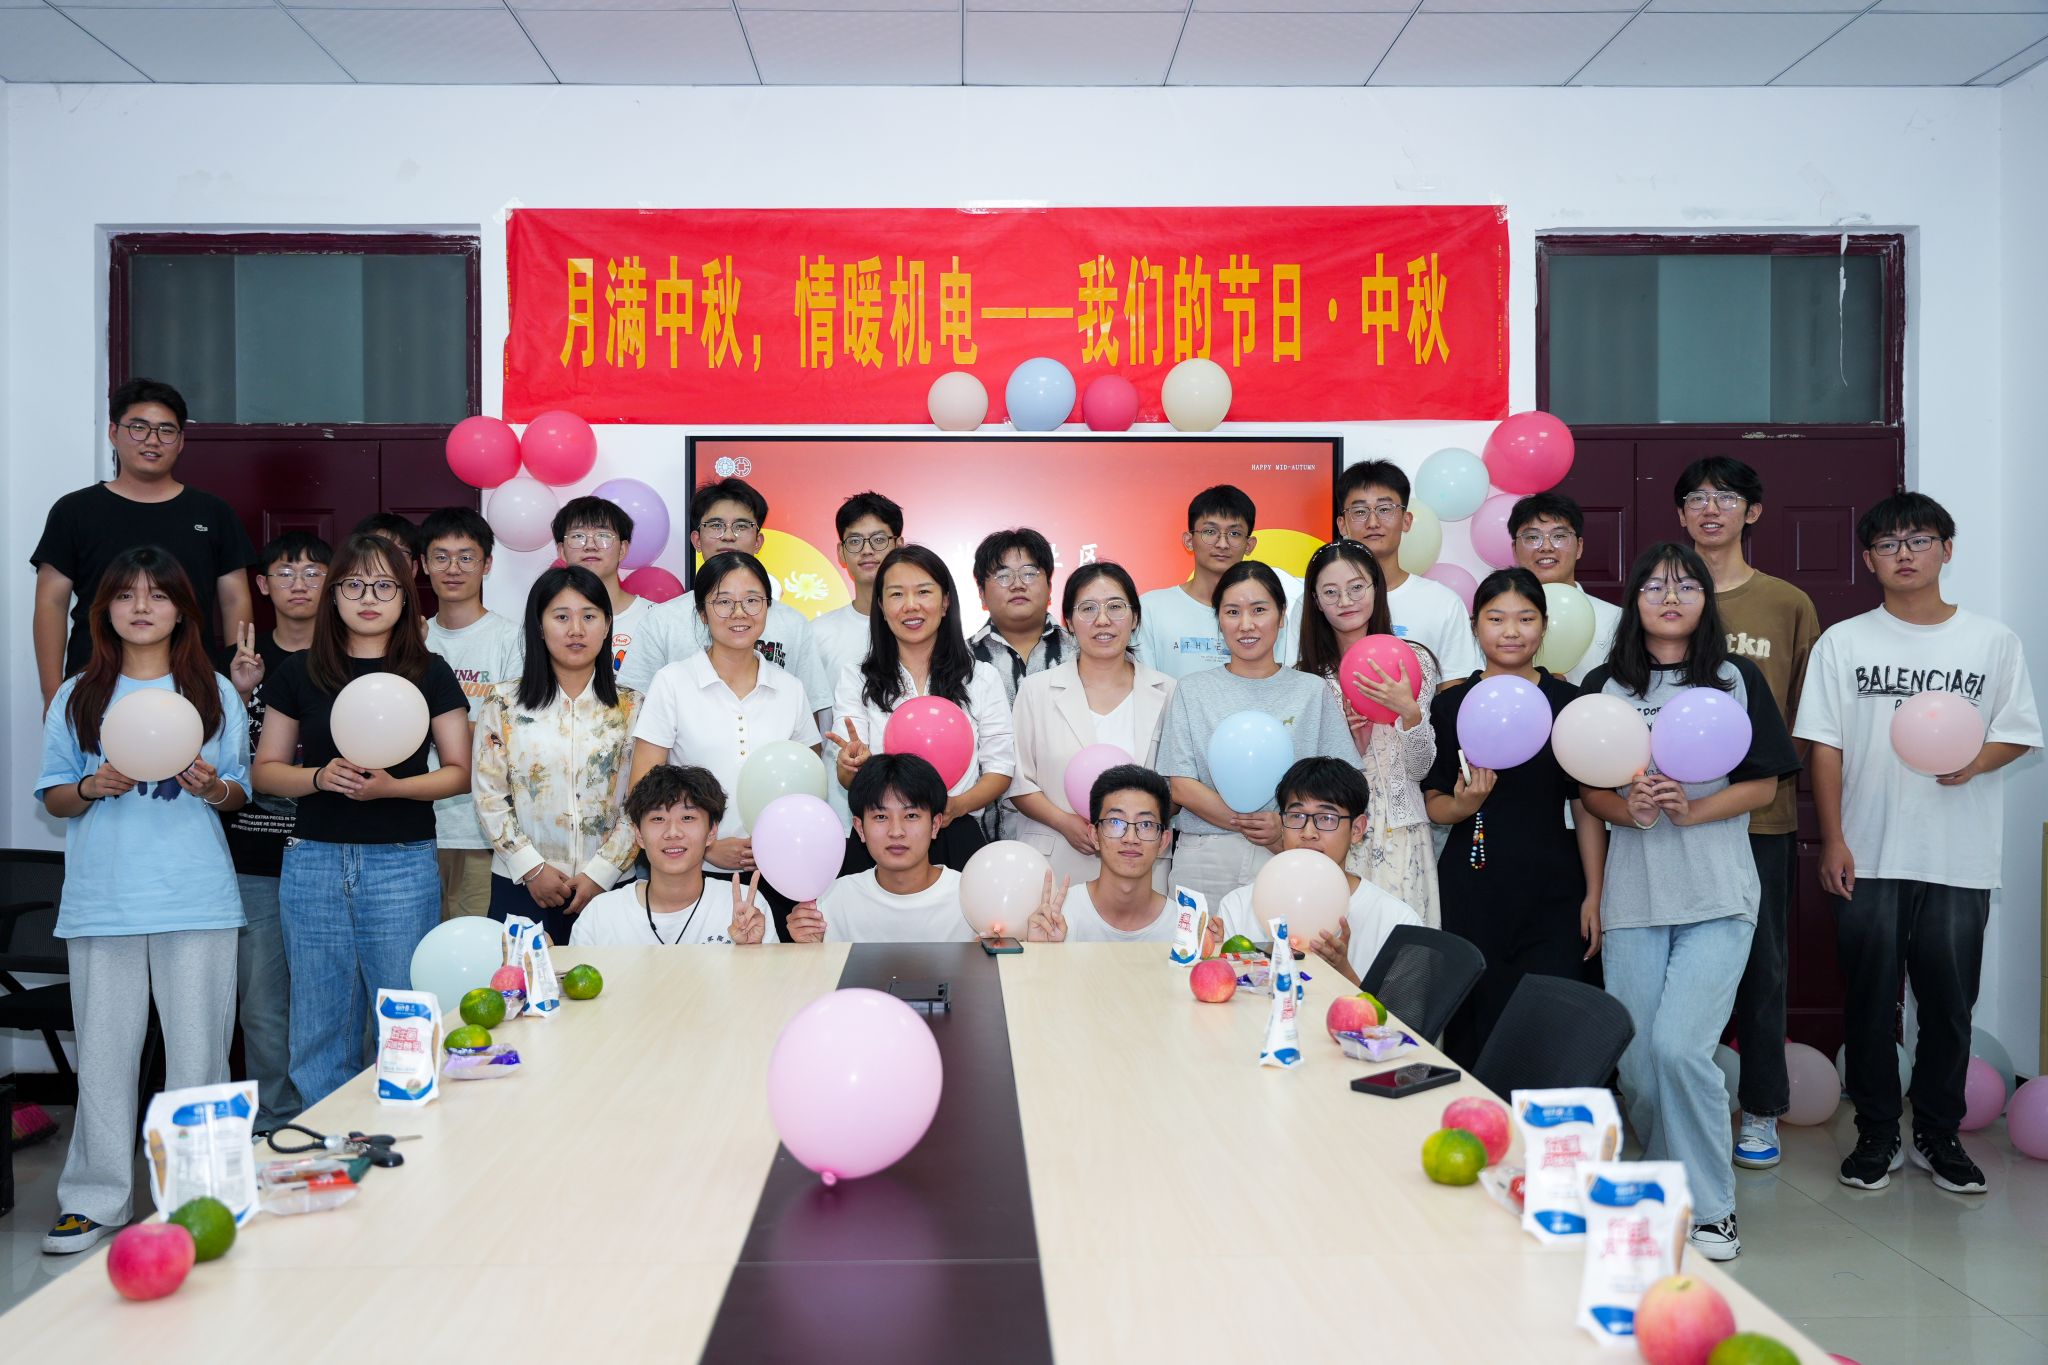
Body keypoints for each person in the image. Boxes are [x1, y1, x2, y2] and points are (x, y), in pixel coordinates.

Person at [1796, 493, 2042, 1197]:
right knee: (1869, 1002)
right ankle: (1877, 1133)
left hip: (1959, 855)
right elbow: (1825, 745)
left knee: (1949, 1005)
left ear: (1947, 549)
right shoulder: (1844, 642)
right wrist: (1834, 839)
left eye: (1919, 539)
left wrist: (1975, 762)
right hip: (1867, 852)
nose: (1904, 553)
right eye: (1888, 543)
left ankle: (1938, 1133)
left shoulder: (1991, 641)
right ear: (1868, 559)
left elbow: (2018, 731)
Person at [1578, 543, 1801, 1264]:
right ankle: (1665, 1184)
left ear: (1706, 599)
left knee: (1680, 1048)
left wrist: (1691, 809)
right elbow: (1588, 790)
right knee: (1641, 1067)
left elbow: (1764, 782)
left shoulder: (1735, 679)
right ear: (1634, 600)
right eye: (1654, 586)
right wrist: (1632, 809)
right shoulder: (1605, 685)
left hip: (1716, 895)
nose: (1670, 597)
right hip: (1633, 900)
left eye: (1685, 586)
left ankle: (1711, 1208)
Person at [35, 548, 249, 1255]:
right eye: (126, 595)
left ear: (183, 611)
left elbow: (240, 791)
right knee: (103, 1060)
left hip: (197, 898)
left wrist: (212, 786)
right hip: (105, 902)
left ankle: (199, 1198)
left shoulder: (214, 692)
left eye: (158, 595)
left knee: (199, 1059)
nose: (141, 607)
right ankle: (93, 1200)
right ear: (105, 611)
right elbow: (55, 796)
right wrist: (92, 786)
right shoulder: (77, 696)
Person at [252, 533, 471, 1110]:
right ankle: (327, 1138)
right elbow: (266, 772)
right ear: (333, 595)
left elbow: (458, 773)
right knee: (318, 1022)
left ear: (406, 596)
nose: (368, 598)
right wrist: (319, 777)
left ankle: (406, 1140)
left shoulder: (430, 672)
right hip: (314, 860)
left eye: (384, 586)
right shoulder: (299, 672)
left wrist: (392, 787)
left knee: (403, 1018)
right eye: (353, 584)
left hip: (401, 861)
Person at [1673, 457, 1821, 1173]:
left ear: (1751, 511)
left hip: (1761, 821)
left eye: (1726, 497)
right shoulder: (1664, 597)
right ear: (1680, 515)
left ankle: (1760, 1108)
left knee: (1763, 968)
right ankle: (1678, 1102)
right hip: (1671, 821)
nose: (1711, 508)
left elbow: (1811, 716)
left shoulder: (1787, 603)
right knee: (1677, 969)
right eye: (1697, 498)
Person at [1423, 567, 1604, 1067]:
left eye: (1525, 618)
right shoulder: (1451, 705)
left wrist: (1594, 893)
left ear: (1544, 627)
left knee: (1549, 1022)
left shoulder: (1569, 702)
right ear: (1475, 626)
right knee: (1474, 1020)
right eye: (1496, 618)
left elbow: (1586, 804)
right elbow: (1434, 801)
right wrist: (1465, 804)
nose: (1511, 631)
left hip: (1554, 887)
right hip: (1471, 884)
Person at [629, 552, 821, 940]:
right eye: (723, 601)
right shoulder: (673, 682)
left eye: (752, 600)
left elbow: (809, 787)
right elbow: (643, 789)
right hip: (694, 874)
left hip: (780, 873)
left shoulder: (790, 688)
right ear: (702, 612)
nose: (739, 613)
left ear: (767, 608)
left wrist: (777, 845)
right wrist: (706, 847)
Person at [33, 378, 256, 708]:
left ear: (181, 441)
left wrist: (233, 690)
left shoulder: (213, 512)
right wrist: (52, 694)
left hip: (193, 686)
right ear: (114, 433)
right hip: (94, 686)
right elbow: (51, 602)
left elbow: (235, 599)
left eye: (166, 430)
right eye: (138, 428)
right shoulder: (74, 511)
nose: (152, 440)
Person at [215, 530, 329, 1134]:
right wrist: (238, 694)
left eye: (313, 573)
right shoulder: (232, 664)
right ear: (262, 584)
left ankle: (334, 1114)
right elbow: (206, 758)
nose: (299, 584)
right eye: (285, 572)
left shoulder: (348, 660)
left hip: (329, 851)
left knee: (333, 996)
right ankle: (274, 1124)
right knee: (261, 1002)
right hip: (253, 856)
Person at [1155, 560, 1352, 904]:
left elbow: (1340, 780)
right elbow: (1182, 784)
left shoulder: (1311, 690)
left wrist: (1284, 829)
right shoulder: (1192, 689)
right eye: (1232, 612)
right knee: (1200, 940)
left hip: (1289, 853)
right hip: (1206, 856)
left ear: (1281, 615)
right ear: (1219, 619)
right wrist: (1256, 825)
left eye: (1259, 610)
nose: (1246, 624)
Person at [472, 566, 643, 947]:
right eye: (561, 617)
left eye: (589, 617)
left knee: (615, 984)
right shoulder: (503, 703)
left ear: (607, 625)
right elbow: (489, 796)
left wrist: (602, 872)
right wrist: (531, 868)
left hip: (609, 886)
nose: (576, 630)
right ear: (539, 626)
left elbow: (642, 802)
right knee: (523, 984)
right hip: (521, 884)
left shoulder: (633, 707)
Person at [828, 545, 1015, 873]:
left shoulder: (981, 677)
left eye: (924, 592)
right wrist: (851, 765)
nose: (911, 605)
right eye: (897, 594)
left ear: (945, 602)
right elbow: (847, 774)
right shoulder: (857, 677)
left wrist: (958, 806)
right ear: (881, 606)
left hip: (954, 831)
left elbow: (1000, 767)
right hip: (880, 839)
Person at [1296, 539, 1441, 925]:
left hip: (1401, 832)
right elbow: (1305, 778)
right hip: (1332, 834)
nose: (1345, 600)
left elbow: (1421, 769)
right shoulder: (1308, 678)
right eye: (1331, 592)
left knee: (1401, 952)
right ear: (1316, 601)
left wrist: (1409, 712)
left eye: (1357, 587)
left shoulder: (1414, 660)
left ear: (1377, 588)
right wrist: (1349, 744)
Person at [1006, 562, 1176, 887]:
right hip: (1057, 861)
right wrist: (1064, 822)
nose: (1102, 620)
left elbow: (1177, 787)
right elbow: (1018, 781)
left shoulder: (1167, 691)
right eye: (1088, 609)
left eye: (1115, 607)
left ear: (1135, 618)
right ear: (1069, 622)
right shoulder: (1036, 690)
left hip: (1141, 867)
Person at [615, 477, 830, 713]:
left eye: (741, 526)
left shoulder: (793, 624)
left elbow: (814, 707)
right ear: (697, 540)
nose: (728, 536)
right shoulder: (661, 621)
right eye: (716, 525)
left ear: (758, 541)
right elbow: (632, 705)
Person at [1218, 758, 1422, 985]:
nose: (1308, 833)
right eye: (1296, 816)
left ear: (1357, 829)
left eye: (1326, 818)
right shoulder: (1238, 906)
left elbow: (1396, 1010)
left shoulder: (1397, 922)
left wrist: (1343, 971)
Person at [421, 507, 523, 921]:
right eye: (441, 557)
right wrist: (468, 727)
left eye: (466, 557)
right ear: (423, 564)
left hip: (484, 828)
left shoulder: (512, 639)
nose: (453, 568)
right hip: (414, 826)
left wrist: (435, 728)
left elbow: (511, 732)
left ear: (487, 564)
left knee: (474, 947)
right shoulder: (409, 641)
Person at [569, 765, 773, 946]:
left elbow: (770, 979)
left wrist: (751, 951)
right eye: (658, 819)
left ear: (711, 832)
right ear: (639, 835)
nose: (673, 832)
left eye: (687, 817)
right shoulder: (600, 915)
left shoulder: (746, 907)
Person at [791, 754, 967, 944]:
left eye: (911, 815)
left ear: (935, 825)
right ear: (860, 828)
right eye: (881, 817)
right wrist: (809, 948)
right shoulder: (830, 902)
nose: (896, 832)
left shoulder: (971, 896)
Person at [1133, 485, 1303, 679]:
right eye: (1210, 531)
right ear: (1189, 540)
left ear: (1249, 545)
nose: (1222, 544)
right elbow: (1145, 687)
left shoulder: (1266, 615)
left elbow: (1279, 683)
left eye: (1234, 534)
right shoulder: (1151, 609)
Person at [1333, 461, 1482, 679]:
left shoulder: (1443, 603)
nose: (1373, 522)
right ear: (1342, 524)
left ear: (1406, 520)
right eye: (1360, 511)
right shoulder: (1322, 603)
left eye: (1385, 509)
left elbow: (1455, 688)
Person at [811, 492, 903, 832]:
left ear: (898, 544)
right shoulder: (817, 632)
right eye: (855, 541)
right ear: (840, 553)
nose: (867, 550)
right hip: (839, 805)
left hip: (910, 803)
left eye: (879, 539)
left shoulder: (919, 627)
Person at [1024, 764, 1175, 943]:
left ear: (1163, 841)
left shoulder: (1184, 928)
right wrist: (1042, 951)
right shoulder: (1058, 916)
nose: (1130, 838)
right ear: (1094, 835)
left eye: (1145, 824)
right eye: (1116, 822)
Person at [1508, 492, 1624, 687]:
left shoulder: (1618, 621)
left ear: (1579, 547)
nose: (1546, 547)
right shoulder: (1497, 622)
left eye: (1559, 536)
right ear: (1514, 550)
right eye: (1532, 537)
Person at [550, 494, 649, 678]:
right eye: (578, 536)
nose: (590, 545)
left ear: (623, 549)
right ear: (561, 551)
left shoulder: (655, 618)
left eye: (603, 535)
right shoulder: (549, 619)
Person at [970, 527, 1070, 702]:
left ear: (1049, 588)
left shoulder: (1082, 652)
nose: (1018, 585)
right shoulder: (960, 661)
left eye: (1029, 574)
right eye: (1003, 576)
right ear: (982, 594)